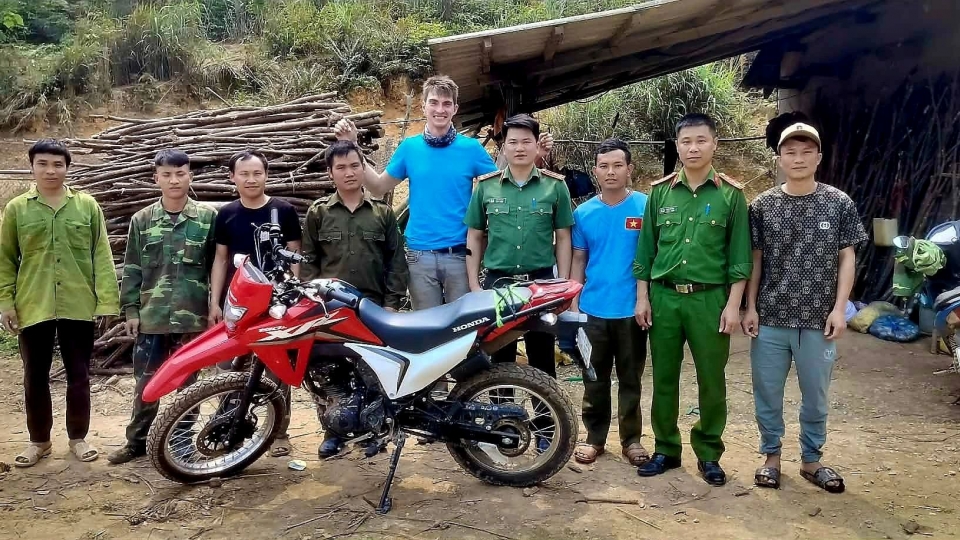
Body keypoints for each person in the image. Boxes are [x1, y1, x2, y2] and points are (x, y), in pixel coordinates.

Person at [332, 75, 552, 310]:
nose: (440, 109)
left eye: (447, 104)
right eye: (434, 102)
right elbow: (377, 187)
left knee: (463, 324)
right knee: (427, 326)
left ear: (455, 108)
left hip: (460, 254)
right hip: (419, 256)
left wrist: (535, 157)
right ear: (423, 106)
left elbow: (504, 185)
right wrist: (352, 145)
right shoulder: (409, 148)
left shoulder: (471, 149)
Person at [743, 122, 867, 493]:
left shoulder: (838, 202)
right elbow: (755, 260)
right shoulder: (762, 206)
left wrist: (840, 308)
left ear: (818, 157)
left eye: (806, 152)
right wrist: (750, 307)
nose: (798, 159)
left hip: (818, 320)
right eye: (790, 152)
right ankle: (771, 457)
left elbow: (847, 257)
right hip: (771, 317)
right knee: (767, 392)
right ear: (779, 159)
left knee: (816, 396)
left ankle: (812, 460)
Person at [633, 113, 752, 486]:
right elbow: (646, 251)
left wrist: (733, 305)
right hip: (665, 298)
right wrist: (643, 298)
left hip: (710, 301)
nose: (693, 148)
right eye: (686, 141)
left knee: (711, 380)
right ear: (677, 146)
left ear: (715, 144)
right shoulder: (660, 193)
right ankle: (666, 449)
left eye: (701, 140)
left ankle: (709, 453)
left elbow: (739, 258)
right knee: (664, 377)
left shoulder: (731, 195)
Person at [0, 139, 119, 467]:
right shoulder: (17, 209)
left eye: (57, 164)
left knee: (78, 375)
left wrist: (106, 302)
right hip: (32, 303)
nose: (50, 171)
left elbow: (101, 255)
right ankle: (39, 441)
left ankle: (78, 438)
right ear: (31, 167)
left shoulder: (86, 206)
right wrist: (6, 302)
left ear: (67, 168)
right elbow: (5, 259)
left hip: (77, 304)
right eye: (43, 164)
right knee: (34, 376)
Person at [108, 149, 218, 464]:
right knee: (146, 383)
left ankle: (181, 442)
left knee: (189, 386)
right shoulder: (142, 220)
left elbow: (217, 266)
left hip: (192, 318)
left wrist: (215, 307)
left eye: (180, 173)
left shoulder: (207, 218)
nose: (174, 180)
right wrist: (130, 310)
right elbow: (132, 268)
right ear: (156, 178)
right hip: (152, 317)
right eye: (167, 174)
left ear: (190, 176)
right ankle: (137, 442)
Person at [301, 140, 409, 458]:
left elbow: (396, 262)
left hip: (372, 309)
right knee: (330, 373)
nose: (349, 172)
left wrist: (391, 304)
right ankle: (333, 432)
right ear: (330, 173)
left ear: (363, 168)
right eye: (341, 167)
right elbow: (309, 263)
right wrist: (311, 303)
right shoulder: (319, 213)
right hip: (329, 308)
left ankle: (375, 431)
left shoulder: (382, 214)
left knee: (372, 371)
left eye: (355, 165)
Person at [464, 113, 575, 379]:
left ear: (537, 145)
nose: (520, 148)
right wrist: (475, 286)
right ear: (504, 147)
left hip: (541, 283)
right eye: (513, 142)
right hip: (499, 284)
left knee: (542, 356)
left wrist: (562, 282)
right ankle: (502, 406)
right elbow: (474, 236)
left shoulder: (555, 186)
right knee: (498, 360)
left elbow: (563, 237)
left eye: (526, 141)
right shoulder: (486, 187)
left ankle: (543, 407)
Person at [209, 149, 302, 458]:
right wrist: (215, 301)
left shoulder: (283, 210)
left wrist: (291, 297)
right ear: (232, 177)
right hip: (239, 303)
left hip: (276, 303)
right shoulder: (227, 214)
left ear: (266, 175)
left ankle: (279, 433)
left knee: (277, 366)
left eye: (257, 173)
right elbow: (221, 259)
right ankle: (229, 428)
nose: (251, 179)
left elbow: (294, 255)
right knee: (229, 365)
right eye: (244, 174)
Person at [569, 139, 650, 468]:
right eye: (604, 166)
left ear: (630, 169)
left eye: (618, 165)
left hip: (632, 311)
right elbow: (578, 260)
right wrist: (573, 303)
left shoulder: (645, 207)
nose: (611, 172)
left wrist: (645, 300)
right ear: (595, 172)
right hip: (592, 311)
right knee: (594, 378)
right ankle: (594, 438)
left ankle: (632, 439)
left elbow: (651, 258)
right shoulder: (583, 213)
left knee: (631, 378)